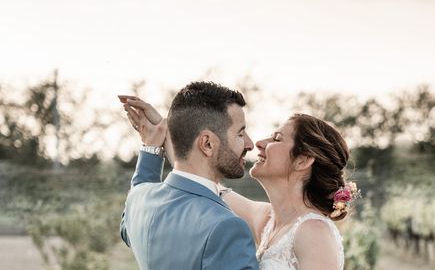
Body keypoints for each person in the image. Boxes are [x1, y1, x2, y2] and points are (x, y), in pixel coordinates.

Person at [122, 85, 357, 270]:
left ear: (303, 160)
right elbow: (195, 176)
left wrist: (157, 145)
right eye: (241, 133)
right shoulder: (267, 220)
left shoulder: (314, 232)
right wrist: (174, 132)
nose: (258, 143)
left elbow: (195, 174)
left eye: (276, 138)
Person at [119, 81, 259, 270]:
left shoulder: (138, 201)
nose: (250, 144)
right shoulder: (227, 228)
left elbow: (134, 204)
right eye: (241, 133)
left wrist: (150, 148)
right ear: (207, 144)